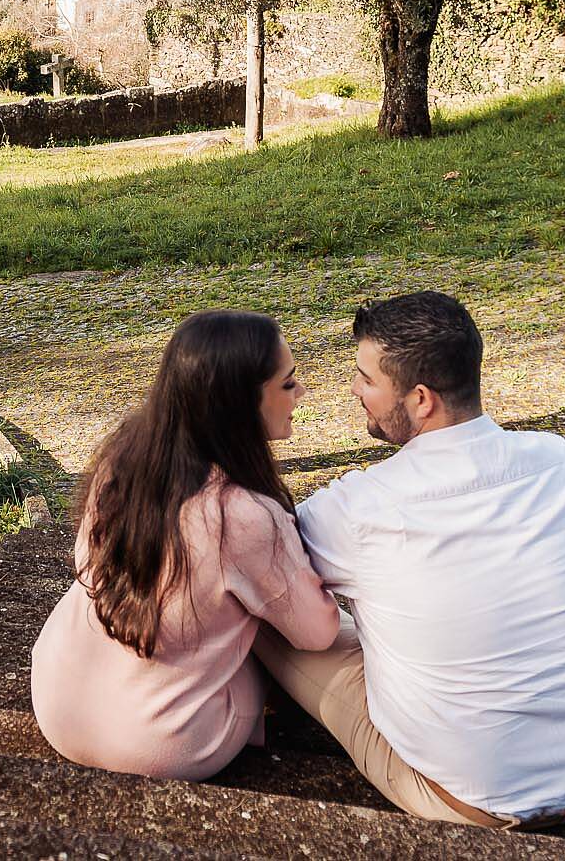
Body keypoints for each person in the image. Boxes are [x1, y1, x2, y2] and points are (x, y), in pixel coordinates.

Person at [258, 291, 565, 829]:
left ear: (420, 399)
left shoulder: (364, 507)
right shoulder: (561, 464)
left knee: (260, 598)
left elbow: (265, 560)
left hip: (469, 796)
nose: (355, 390)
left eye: (366, 379)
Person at [31, 309, 342, 780]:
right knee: (260, 632)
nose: (300, 394)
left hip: (57, 699)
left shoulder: (122, 457)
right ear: (242, 403)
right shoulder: (242, 515)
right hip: (160, 742)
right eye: (287, 384)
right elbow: (316, 632)